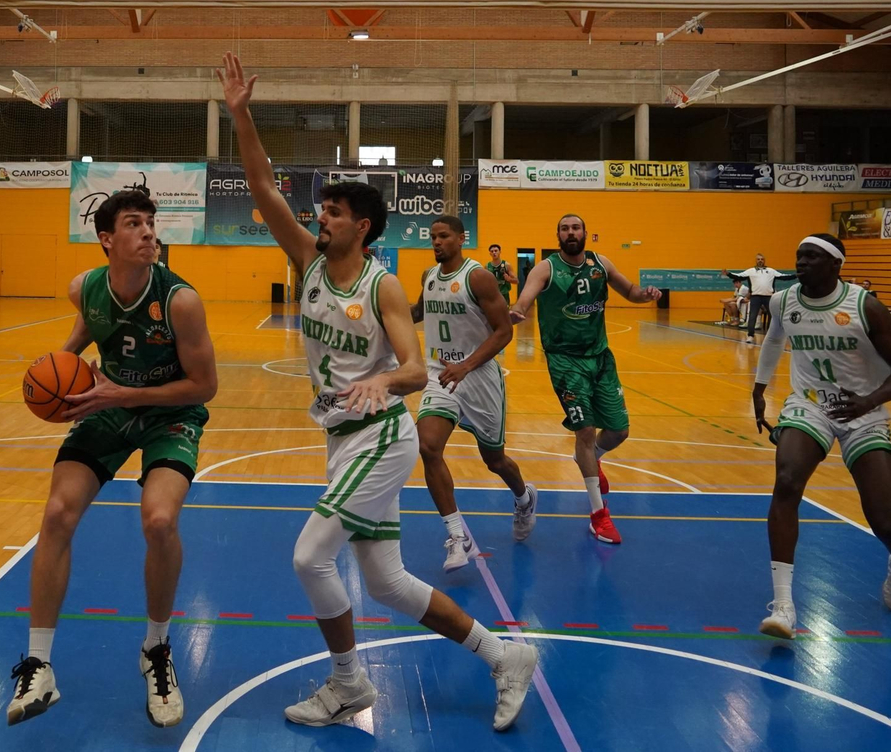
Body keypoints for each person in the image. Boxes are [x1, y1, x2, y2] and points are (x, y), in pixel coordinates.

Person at [218, 52, 537, 731]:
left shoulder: (382, 284)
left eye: (331, 211)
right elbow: (262, 183)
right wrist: (240, 114)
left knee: (309, 555)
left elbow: (419, 370)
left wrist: (382, 377)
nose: (320, 217)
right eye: (321, 210)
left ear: (361, 225)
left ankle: (348, 682)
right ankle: (506, 655)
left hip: (384, 436)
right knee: (389, 582)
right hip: (342, 439)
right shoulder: (306, 260)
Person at [7, 190, 218, 730]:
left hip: (170, 413)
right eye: (134, 224)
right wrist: (54, 382)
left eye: (151, 223)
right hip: (109, 405)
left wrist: (120, 395)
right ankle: (39, 664)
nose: (149, 232)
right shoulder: (86, 288)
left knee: (160, 520)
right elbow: (82, 338)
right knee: (57, 515)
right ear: (107, 240)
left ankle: (156, 649)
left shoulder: (180, 301)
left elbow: (205, 385)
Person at [751, 233, 891, 639]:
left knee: (884, 522)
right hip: (810, 404)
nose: (801, 262)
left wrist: (868, 401)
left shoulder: (866, 307)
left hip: (865, 410)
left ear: (835, 264)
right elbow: (774, 339)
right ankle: (784, 605)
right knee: (787, 482)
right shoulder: (784, 300)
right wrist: (759, 388)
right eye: (799, 255)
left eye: (811, 256)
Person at [511, 214, 663, 545]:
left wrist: (646, 294)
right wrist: (518, 310)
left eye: (575, 228)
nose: (570, 233)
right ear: (558, 236)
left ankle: (592, 456)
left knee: (620, 430)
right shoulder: (546, 268)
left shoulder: (600, 263)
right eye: (564, 229)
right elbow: (526, 298)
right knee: (584, 430)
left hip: (601, 357)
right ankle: (598, 516)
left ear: (585, 234)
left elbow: (631, 292)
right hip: (565, 361)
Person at [412, 215, 534, 572]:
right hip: (440, 373)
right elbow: (418, 311)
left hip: (478, 376)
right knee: (427, 446)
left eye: (444, 236)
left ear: (461, 238)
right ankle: (456, 535)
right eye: (433, 237)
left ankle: (524, 499)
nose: (436, 242)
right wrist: (379, 313)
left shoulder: (477, 277)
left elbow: (502, 332)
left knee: (494, 460)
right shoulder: (429, 276)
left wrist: (466, 365)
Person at [729, 254, 790, 344]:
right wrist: (728, 274)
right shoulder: (751, 271)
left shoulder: (771, 271)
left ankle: (771, 336)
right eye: (758, 259)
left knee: (773, 316)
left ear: (764, 261)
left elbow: (783, 277)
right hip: (755, 297)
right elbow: (738, 276)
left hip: (769, 297)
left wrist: (797, 275)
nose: (760, 260)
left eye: (762, 259)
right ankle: (750, 336)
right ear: (756, 261)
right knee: (752, 316)